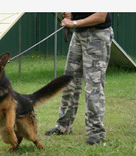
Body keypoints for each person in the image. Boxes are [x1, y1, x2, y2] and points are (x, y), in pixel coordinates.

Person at [45, 12, 114, 145]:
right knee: (68, 82)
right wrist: (72, 13)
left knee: (93, 85)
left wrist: (74, 23)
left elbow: (101, 15)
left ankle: (96, 132)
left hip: (98, 35)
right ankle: (63, 126)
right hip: (78, 35)